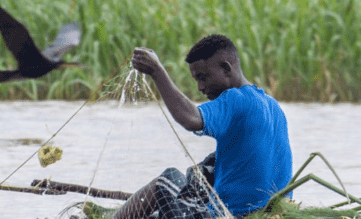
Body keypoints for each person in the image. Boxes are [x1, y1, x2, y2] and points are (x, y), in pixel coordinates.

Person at [115, 34, 293, 219]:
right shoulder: (273, 106)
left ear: (226, 68)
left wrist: (157, 71)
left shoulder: (236, 99)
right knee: (205, 168)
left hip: (228, 216)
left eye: (203, 77)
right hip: (266, 213)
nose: (200, 87)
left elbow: (191, 118)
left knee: (166, 180)